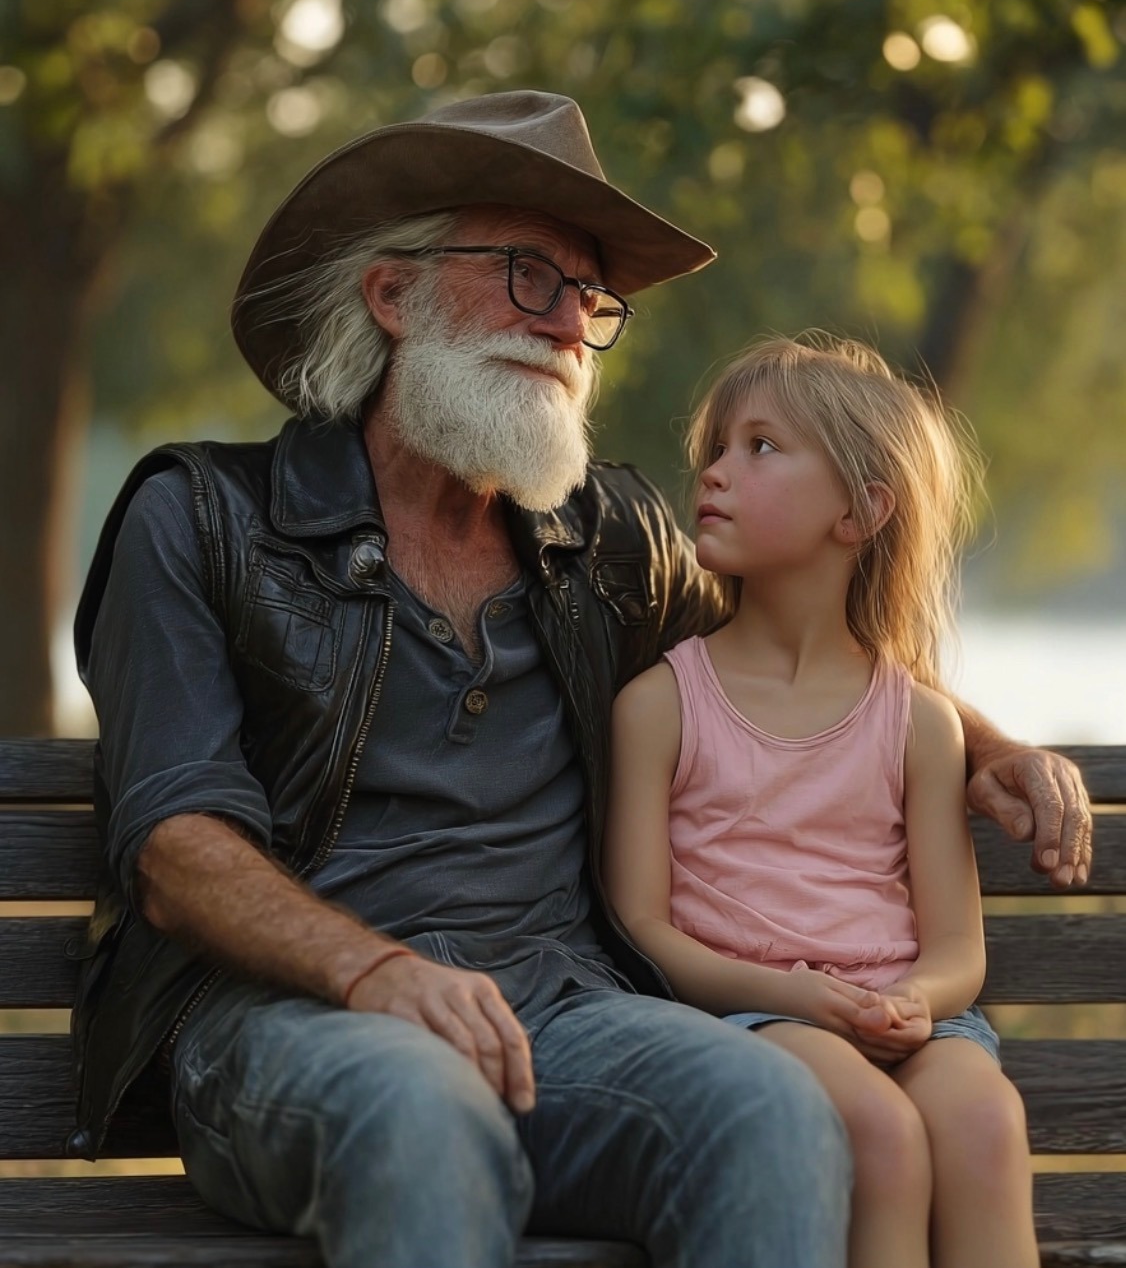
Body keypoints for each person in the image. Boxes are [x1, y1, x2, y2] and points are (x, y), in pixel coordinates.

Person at [69, 91, 1088, 1268]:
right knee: (421, 1108)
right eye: (527, 274)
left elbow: (798, 658)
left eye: (589, 296)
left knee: (771, 1107)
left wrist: (987, 745)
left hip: (567, 1012)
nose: (567, 322)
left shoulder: (607, 541)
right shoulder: (202, 517)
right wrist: (375, 970)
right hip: (290, 1019)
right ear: (392, 294)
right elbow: (174, 844)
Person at [603, 335, 1045, 1268]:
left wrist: (909, 1001)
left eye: (760, 447)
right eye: (716, 448)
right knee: (877, 1133)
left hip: (910, 1013)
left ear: (860, 511)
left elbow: (956, 949)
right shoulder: (662, 706)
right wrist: (791, 993)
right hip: (751, 1014)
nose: (715, 471)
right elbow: (642, 926)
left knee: (983, 1121)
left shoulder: (919, 722)